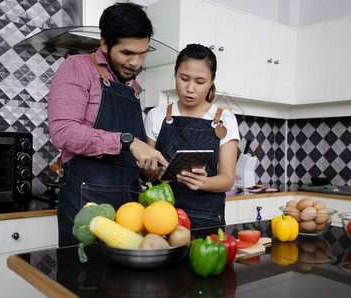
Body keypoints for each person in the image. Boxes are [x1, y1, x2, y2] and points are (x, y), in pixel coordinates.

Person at [48, 3, 168, 247]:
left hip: (129, 211)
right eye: (127, 53)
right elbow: (62, 132)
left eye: (143, 53)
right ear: (104, 44)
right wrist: (128, 142)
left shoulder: (132, 88)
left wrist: (150, 169)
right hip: (87, 205)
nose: (136, 62)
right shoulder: (78, 68)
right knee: (83, 278)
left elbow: (129, 159)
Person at [144, 44, 240, 228]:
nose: (190, 88)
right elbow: (145, 175)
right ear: (175, 74)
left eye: (200, 82)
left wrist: (203, 182)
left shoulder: (225, 118)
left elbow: (227, 180)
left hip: (207, 217)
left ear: (212, 81)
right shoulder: (157, 115)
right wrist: (157, 173)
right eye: (184, 78)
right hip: (161, 217)